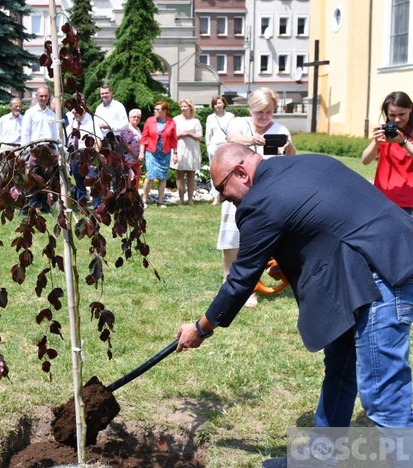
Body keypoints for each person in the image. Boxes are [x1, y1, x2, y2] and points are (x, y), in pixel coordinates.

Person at [177, 143, 413, 452]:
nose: (223, 197)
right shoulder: (307, 163)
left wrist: (201, 328)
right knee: (341, 369)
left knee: (383, 395)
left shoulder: (258, 202)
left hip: (383, 273)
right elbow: (333, 225)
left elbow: (240, 279)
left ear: (241, 173)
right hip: (375, 262)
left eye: (223, 188)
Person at [225, 87, 296, 307]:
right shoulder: (240, 124)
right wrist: (251, 140)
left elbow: (292, 157)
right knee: (231, 239)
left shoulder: (281, 128)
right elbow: (230, 138)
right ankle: (227, 280)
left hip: (267, 192)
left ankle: (251, 286)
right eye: (259, 112)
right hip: (238, 189)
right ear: (251, 109)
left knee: (256, 241)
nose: (264, 117)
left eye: (269, 112)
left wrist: (289, 147)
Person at [361, 91, 413, 214]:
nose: (397, 119)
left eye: (402, 114)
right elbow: (365, 160)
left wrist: (403, 142)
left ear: (411, 109)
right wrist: (376, 142)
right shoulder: (387, 133)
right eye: (392, 115)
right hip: (383, 200)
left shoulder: (407, 137)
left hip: (410, 203)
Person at [21, 86, 59, 213]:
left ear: (49, 97)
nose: (43, 98)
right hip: (35, 149)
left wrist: (57, 151)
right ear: (36, 96)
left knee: (46, 179)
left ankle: (45, 206)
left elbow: (55, 134)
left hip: (48, 150)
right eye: (41, 96)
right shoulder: (30, 113)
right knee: (32, 178)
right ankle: (31, 205)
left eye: (46, 96)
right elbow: (25, 133)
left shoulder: (52, 114)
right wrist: (25, 151)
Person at [139, 101, 177, 208]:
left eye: (158, 109)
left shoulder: (171, 122)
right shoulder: (150, 121)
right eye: (154, 109)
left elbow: (174, 139)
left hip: (165, 153)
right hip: (151, 152)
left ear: (164, 111)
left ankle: (160, 202)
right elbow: (144, 137)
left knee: (163, 177)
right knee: (150, 175)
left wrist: (175, 153)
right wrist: (142, 152)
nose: (155, 111)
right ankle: (144, 200)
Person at [66, 102, 101, 205]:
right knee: (79, 183)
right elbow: (68, 142)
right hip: (75, 157)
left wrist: (95, 159)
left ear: (83, 109)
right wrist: (68, 159)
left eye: (77, 110)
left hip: (89, 156)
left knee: (94, 181)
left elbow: (98, 141)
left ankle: (97, 207)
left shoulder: (91, 123)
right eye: (73, 110)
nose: (74, 112)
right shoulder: (71, 125)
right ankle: (82, 206)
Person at [204, 95, 235, 203]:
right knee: (214, 172)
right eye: (215, 103)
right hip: (213, 146)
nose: (217, 105)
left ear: (224, 104)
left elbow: (233, 131)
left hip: (226, 145)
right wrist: (208, 145)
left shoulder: (230, 116)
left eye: (219, 103)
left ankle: (227, 194)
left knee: (227, 170)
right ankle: (215, 196)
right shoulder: (210, 118)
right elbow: (208, 133)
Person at [172, 98, 203, 206]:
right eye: (182, 106)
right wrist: (181, 135)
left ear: (190, 107)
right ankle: (181, 199)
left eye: (186, 106)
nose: (183, 108)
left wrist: (190, 134)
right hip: (179, 149)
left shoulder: (196, 121)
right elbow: (171, 136)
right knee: (179, 175)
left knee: (191, 175)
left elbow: (199, 137)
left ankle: (190, 199)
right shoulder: (175, 120)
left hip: (192, 150)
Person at [118, 109, 143, 190]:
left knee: (136, 180)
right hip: (128, 159)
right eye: (134, 117)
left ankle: (134, 199)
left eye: (138, 117)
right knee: (129, 180)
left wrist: (140, 155)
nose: (136, 118)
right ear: (129, 117)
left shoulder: (138, 129)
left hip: (137, 160)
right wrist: (135, 154)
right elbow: (125, 144)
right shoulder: (126, 128)